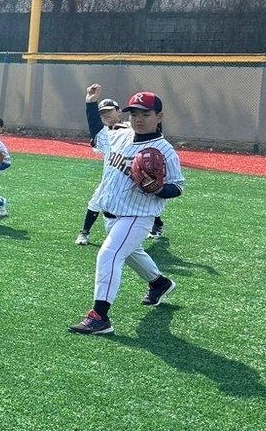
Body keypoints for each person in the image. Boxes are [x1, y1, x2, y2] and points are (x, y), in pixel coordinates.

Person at [69, 87, 183, 336]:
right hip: (112, 214)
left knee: (108, 255)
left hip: (137, 216)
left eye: (145, 113)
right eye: (133, 114)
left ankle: (100, 317)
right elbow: (97, 135)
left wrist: (158, 189)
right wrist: (91, 104)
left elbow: (178, 187)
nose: (138, 119)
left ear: (159, 117)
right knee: (133, 253)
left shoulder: (164, 150)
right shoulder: (118, 136)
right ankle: (160, 284)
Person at [76, 98, 124, 244]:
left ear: (119, 111)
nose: (106, 115)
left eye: (110, 111)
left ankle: (157, 224)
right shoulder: (106, 134)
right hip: (110, 177)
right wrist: (90, 104)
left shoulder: (131, 129)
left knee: (141, 203)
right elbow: (97, 135)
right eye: (103, 113)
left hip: (131, 178)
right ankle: (84, 232)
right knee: (95, 202)